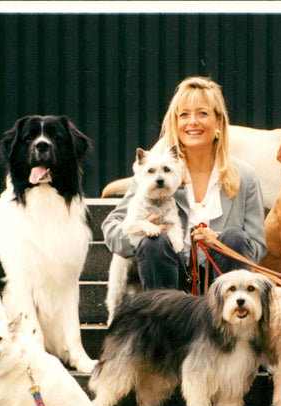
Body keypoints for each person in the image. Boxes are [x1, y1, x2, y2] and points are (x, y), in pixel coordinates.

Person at [102, 76, 267, 292]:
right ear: (176, 123)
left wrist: (219, 242)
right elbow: (111, 227)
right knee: (155, 243)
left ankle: (225, 323)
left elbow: (257, 246)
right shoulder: (156, 172)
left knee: (234, 237)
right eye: (184, 115)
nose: (192, 122)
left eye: (202, 113)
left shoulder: (245, 176)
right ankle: (163, 322)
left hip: (221, 291)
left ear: (218, 122)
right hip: (169, 293)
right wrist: (142, 232)